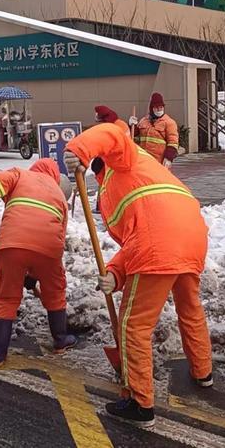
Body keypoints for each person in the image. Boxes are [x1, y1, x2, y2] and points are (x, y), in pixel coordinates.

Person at [63, 125, 213, 428]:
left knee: (134, 325)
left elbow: (112, 132)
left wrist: (78, 149)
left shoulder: (126, 160)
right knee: (190, 308)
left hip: (158, 243)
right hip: (192, 237)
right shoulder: (144, 175)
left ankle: (139, 402)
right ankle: (203, 372)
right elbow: (137, 236)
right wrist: (116, 275)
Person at [0, 159, 75, 366]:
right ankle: (60, 340)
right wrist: (36, 274)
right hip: (49, 248)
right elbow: (60, 230)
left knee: (6, 299)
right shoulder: (59, 194)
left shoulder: (20, 174)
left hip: (12, 244)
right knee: (55, 292)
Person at [129, 92, 179, 168]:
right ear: (151, 108)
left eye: (161, 107)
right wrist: (132, 126)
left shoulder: (169, 123)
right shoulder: (144, 121)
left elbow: (173, 142)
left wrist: (168, 158)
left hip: (159, 162)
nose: (159, 110)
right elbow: (133, 136)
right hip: (144, 160)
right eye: (156, 108)